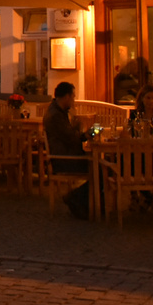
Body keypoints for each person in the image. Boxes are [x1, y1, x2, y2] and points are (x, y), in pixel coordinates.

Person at [43, 81, 90, 218]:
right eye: (73, 96)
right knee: (100, 170)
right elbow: (71, 138)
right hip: (64, 160)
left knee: (100, 167)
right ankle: (76, 198)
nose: (74, 100)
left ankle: (83, 201)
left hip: (65, 155)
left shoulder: (58, 111)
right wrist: (86, 134)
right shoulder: (56, 116)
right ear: (67, 97)